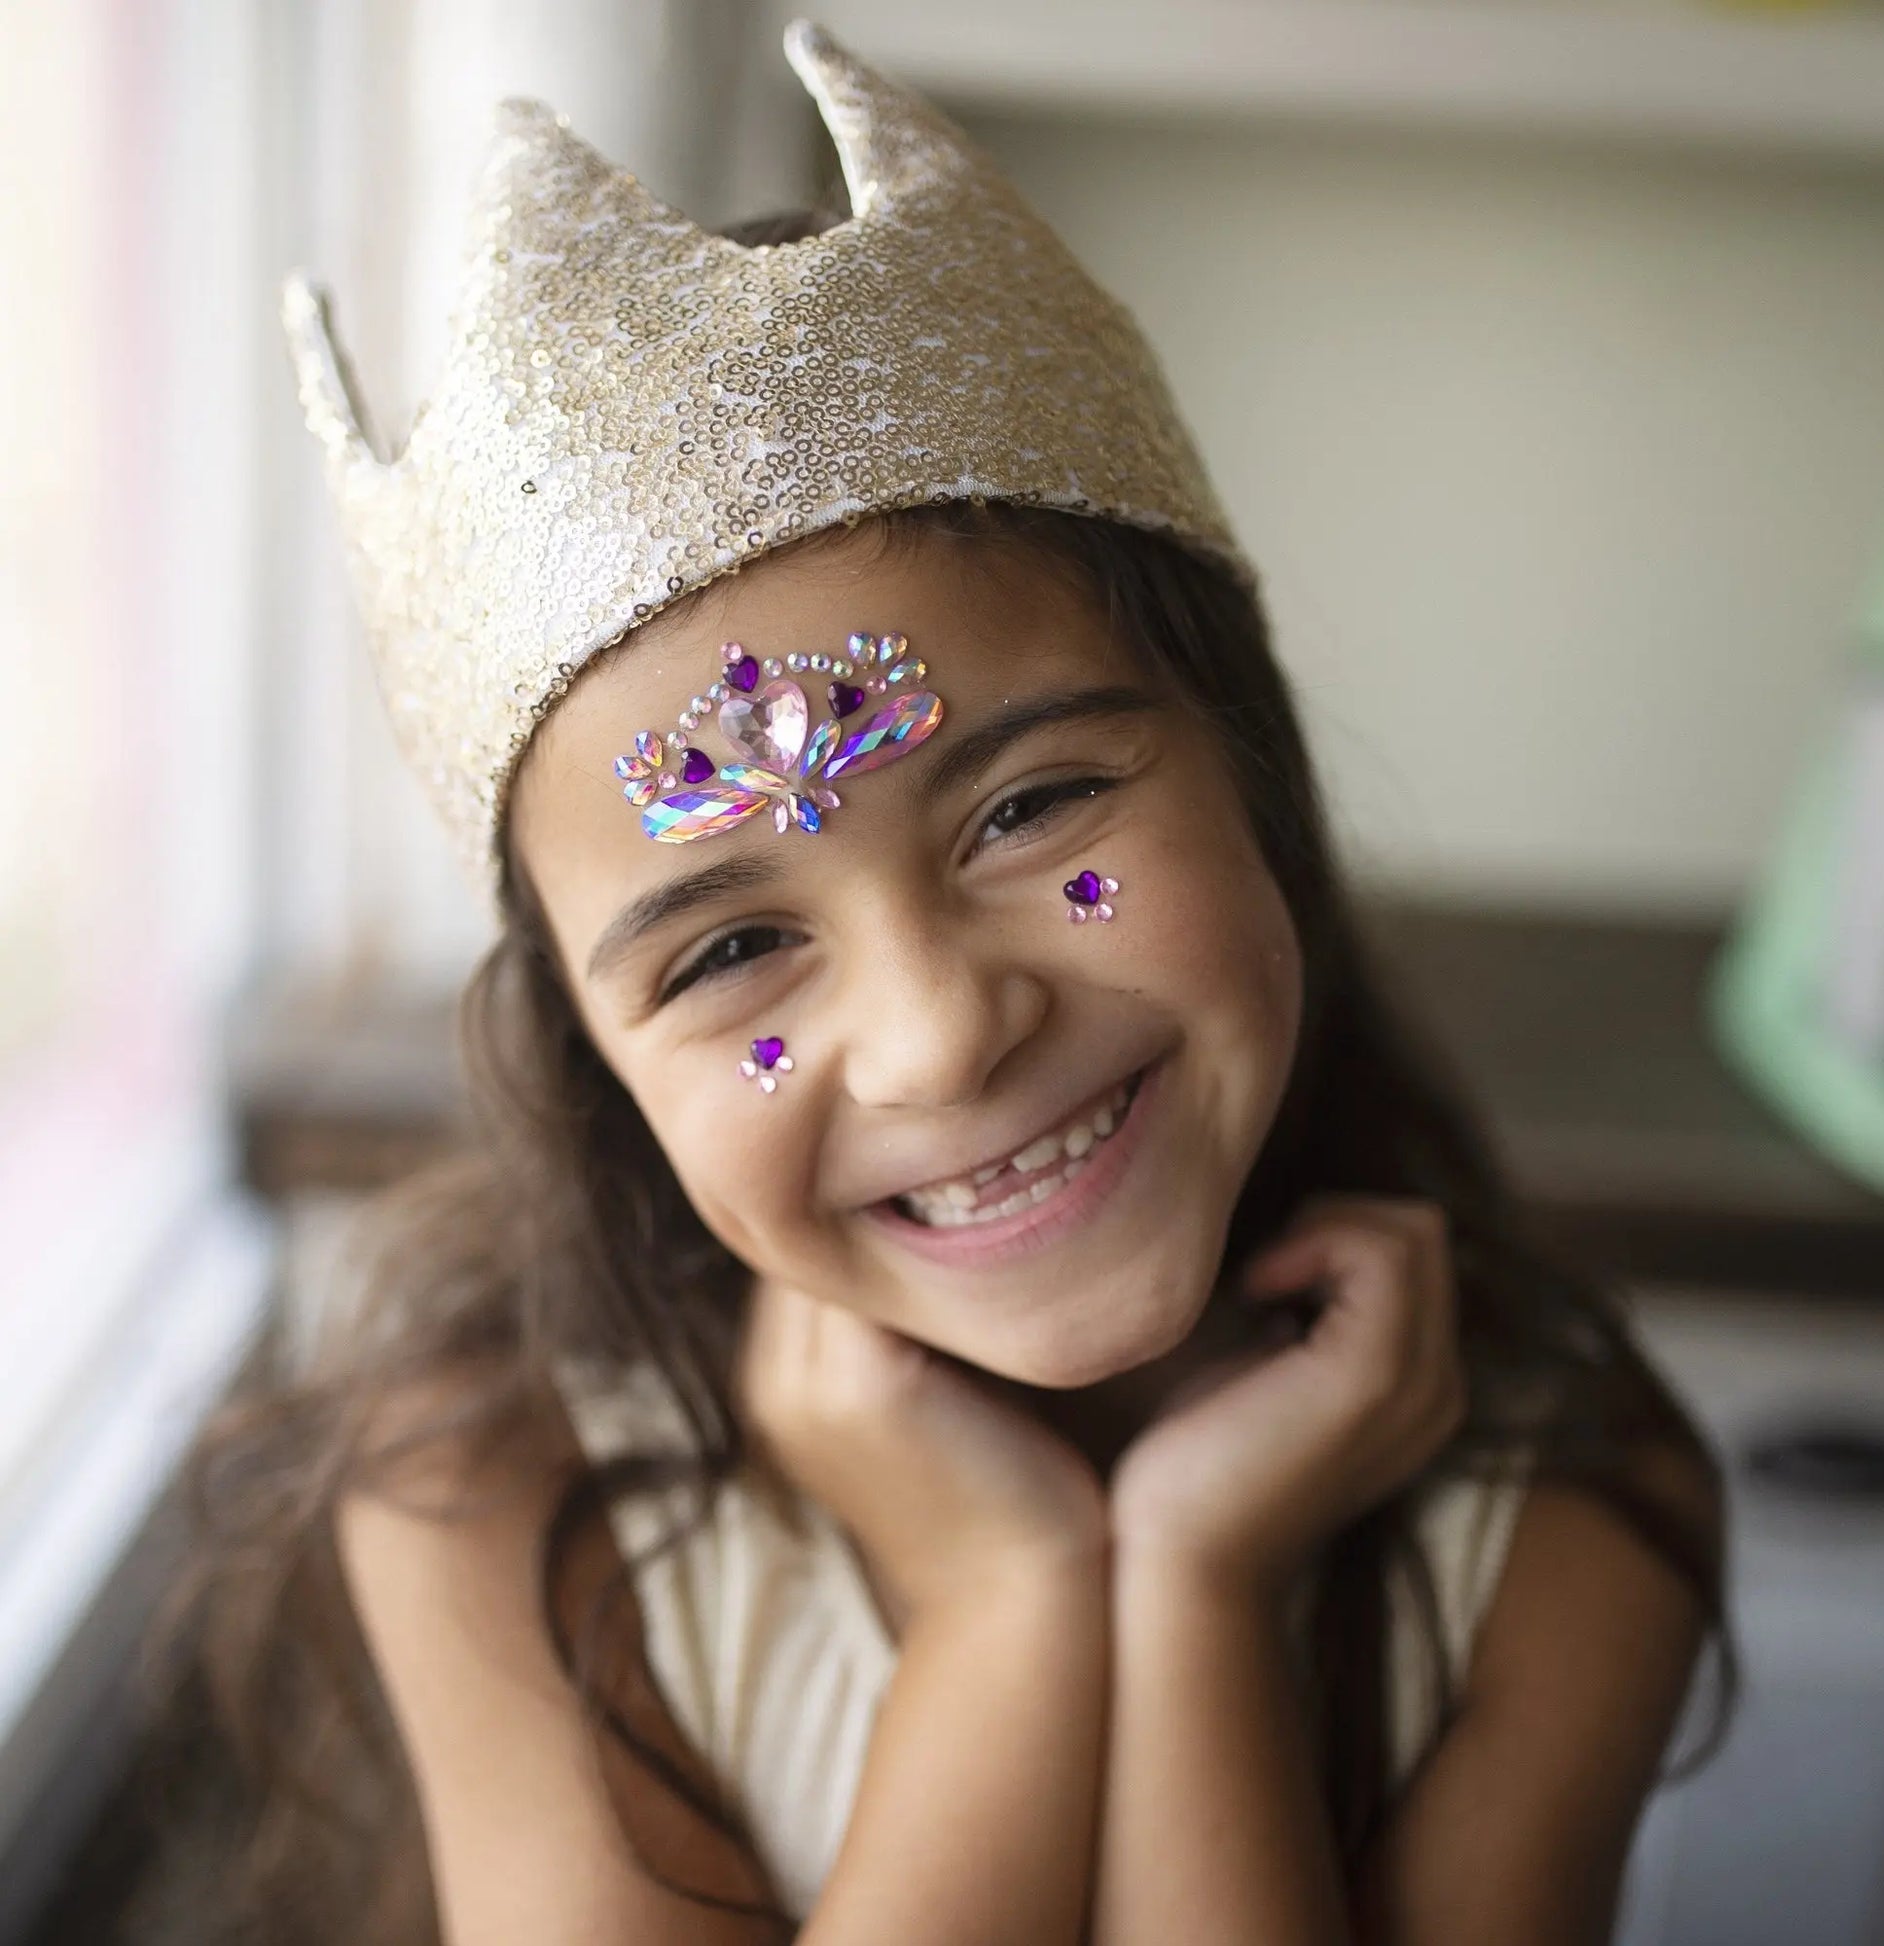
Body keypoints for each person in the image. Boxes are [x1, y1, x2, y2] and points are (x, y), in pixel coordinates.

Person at [179, 20, 1730, 1946]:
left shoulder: (1569, 1513)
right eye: (730, 947)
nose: (935, 1033)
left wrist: (1203, 1592)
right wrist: (1011, 1604)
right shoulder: (484, 1484)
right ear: (593, 1059)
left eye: (1031, 808)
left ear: (1252, 769)